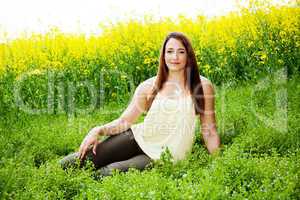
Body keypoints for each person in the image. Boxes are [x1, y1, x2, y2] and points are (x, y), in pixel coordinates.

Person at [59, 32, 221, 177]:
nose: (175, 57)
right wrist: (97, 130)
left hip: (166, 155)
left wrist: (219, 162)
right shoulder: (149, 86)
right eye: (170, 51)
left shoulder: (202, 86)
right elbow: (125, 121)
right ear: (163, 56)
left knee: (107, 173)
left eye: (181, 52)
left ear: (189, 55)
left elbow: (209, 130)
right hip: (137, 138)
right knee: (71, 163)